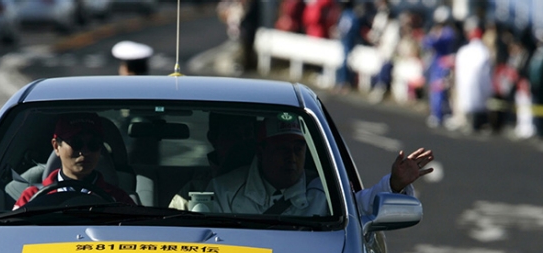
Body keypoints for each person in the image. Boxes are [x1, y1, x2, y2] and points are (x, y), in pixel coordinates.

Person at [193, 114, 432, 216]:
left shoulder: (327, 193)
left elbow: (364, 205)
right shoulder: (223, 190)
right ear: (261, 151)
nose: (292, 157)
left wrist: (395, 184)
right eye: (282, 149)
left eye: (298, 149)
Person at [13, 114, 135, 209]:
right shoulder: (31, 197)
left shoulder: (119, 199)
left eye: (93, 144)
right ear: (56, 146)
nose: (85, 152)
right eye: (76, 143)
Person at [168, 112, 257, 210]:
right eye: (233, 135)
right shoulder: (196, 189)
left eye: (248, 134)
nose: (242, 141)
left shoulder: (272, 184)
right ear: (213, 138)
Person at [453, 22, 492, 132]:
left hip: (467, 86)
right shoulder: (483, 51)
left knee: (470, 104)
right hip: (476, 86)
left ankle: (473, 123)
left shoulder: (465, 51)